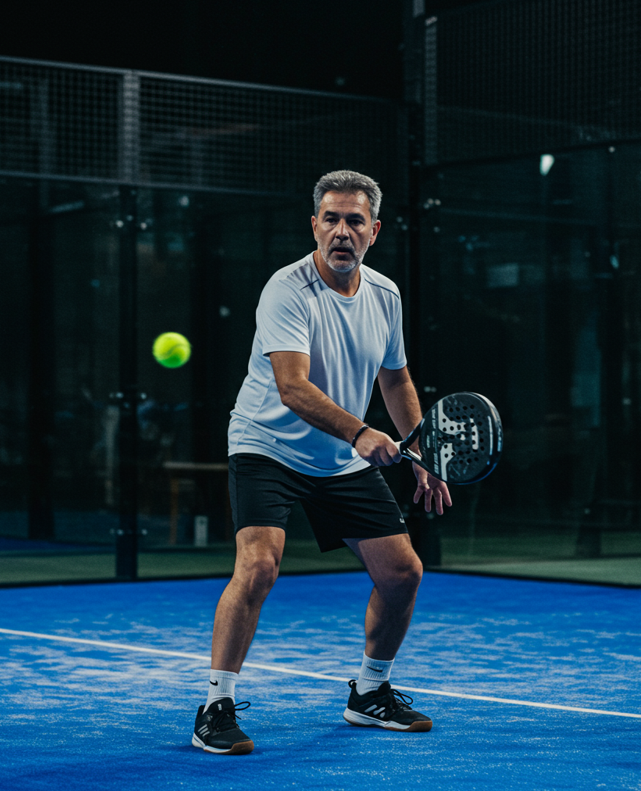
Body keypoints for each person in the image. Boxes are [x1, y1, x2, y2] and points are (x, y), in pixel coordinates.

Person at [192, 170, 452, 755]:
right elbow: (292, 388)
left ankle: (370, 694)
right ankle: (215, 705)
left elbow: (396, 377)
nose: (341, 231)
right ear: (314, 225)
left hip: (339, 458)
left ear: (374, 231)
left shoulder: (385, 295)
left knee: (403, 573)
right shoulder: (286, 289)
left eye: (354, 220)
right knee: (258, 567)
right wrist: (362, 434)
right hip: (267, 445)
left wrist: (419, 452)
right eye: (330, 219)